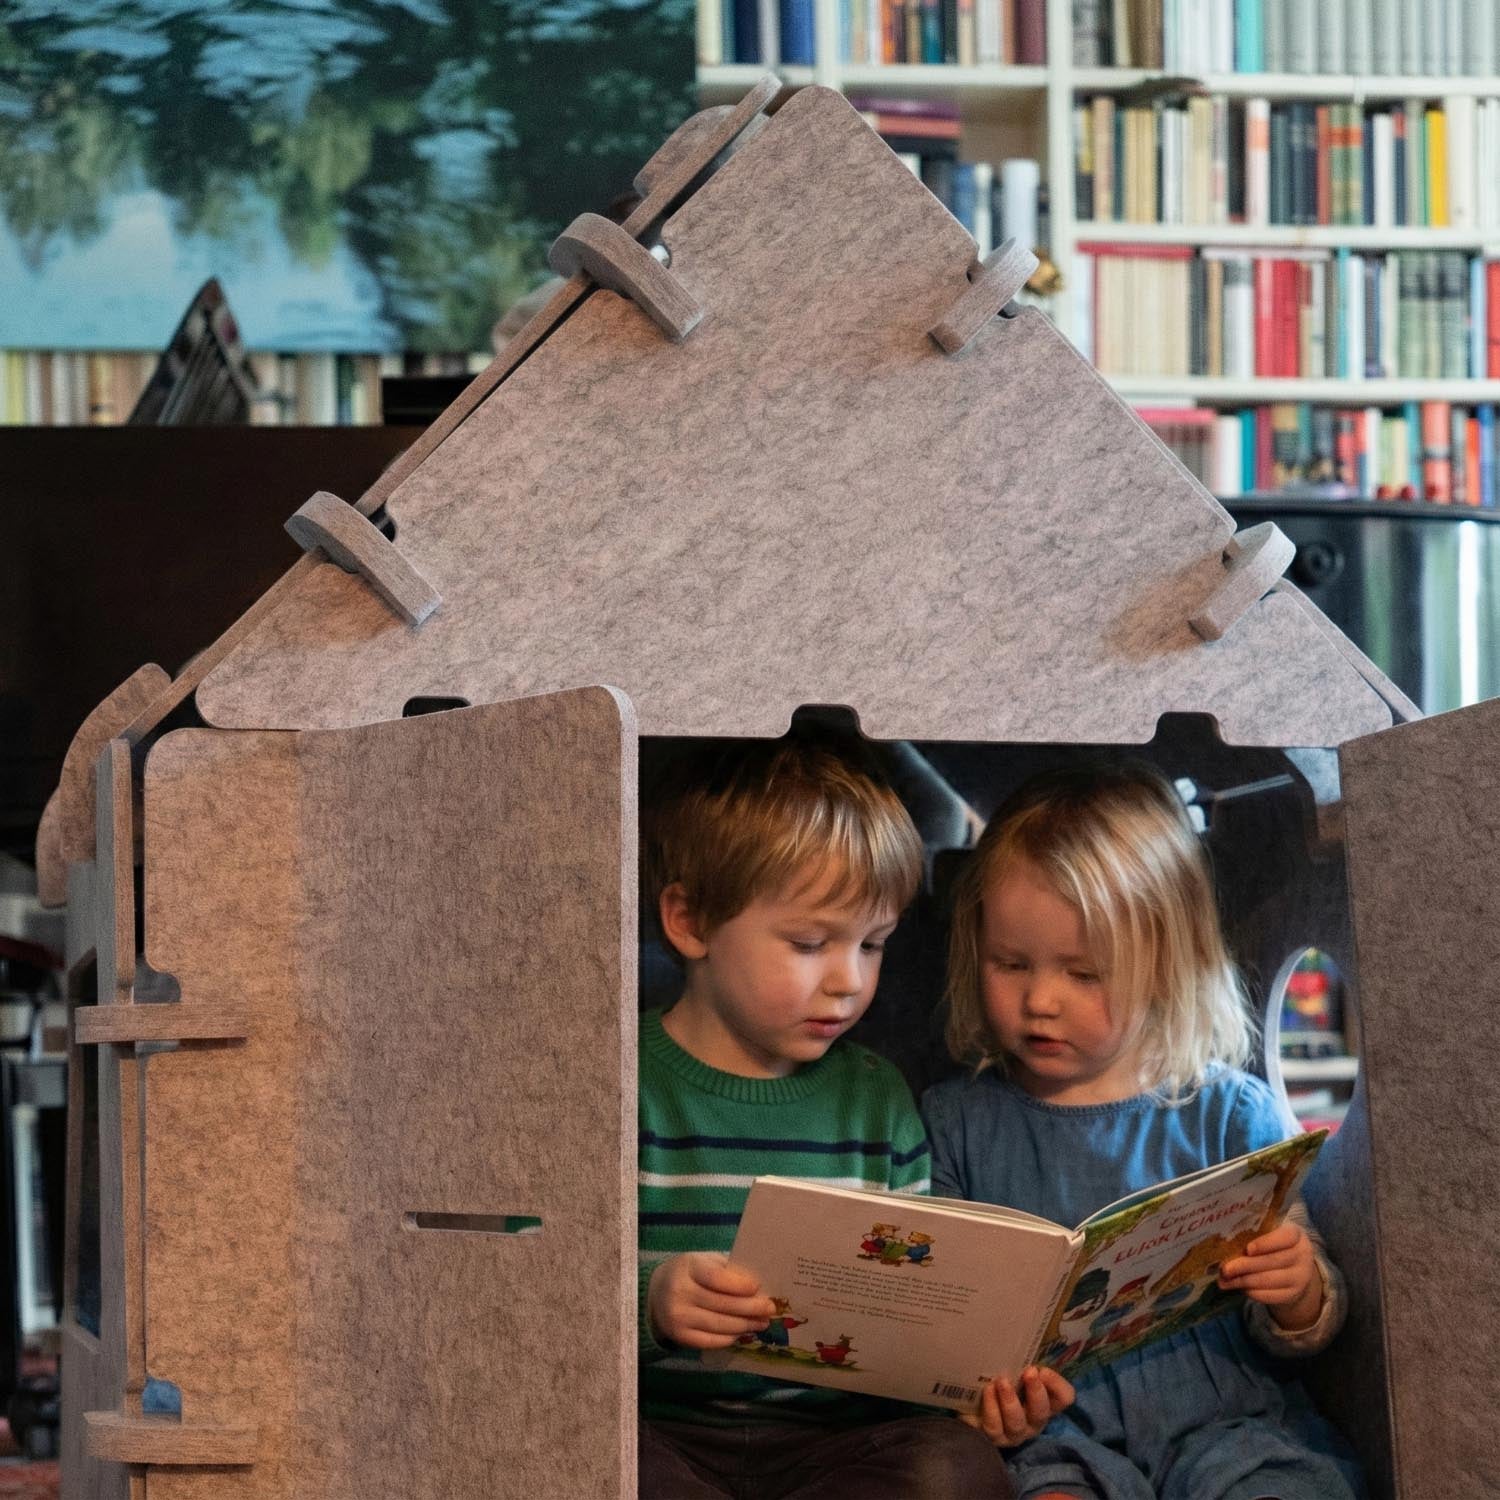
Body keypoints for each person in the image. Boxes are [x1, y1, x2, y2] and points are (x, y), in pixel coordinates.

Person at [922, 764, 1366, 1500]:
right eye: (1010, 964)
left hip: (1230, 1421)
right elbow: (944, 1327)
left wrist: (1298, 1290)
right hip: (1056, 1436)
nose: (1040, 1000)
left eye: (1084, 973)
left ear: (1166, 967)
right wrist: (979, 1406)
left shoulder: (1230, 1111)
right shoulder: (956, 1123)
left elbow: (1312, 1319)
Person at [638, 733, 1058, 1498]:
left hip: (836, 1448)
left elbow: (916, 1312)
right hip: (656, 1433)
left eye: (874, 945)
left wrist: (979, 1395)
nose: (848, 981)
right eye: (809, 943)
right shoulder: (615, 1082)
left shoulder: (877, 1098)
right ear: (690, 922)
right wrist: (651, 1300)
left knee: (954, 1471)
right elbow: (532, 1275)